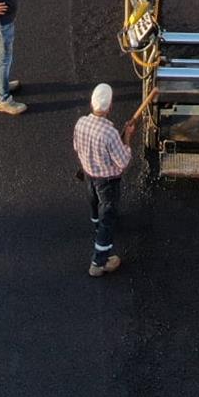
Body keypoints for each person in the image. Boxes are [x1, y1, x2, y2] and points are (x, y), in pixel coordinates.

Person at [73, 83, 136, 277]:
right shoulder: (109, 134)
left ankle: (95, 225)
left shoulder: (81, 123)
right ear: (110, 107)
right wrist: (127, 139)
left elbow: (77, 147)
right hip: (107, 182)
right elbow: (123, 161)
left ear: (92, 104)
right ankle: (98, 262)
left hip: (89, 176)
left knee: (94, 205)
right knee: (108, 217)